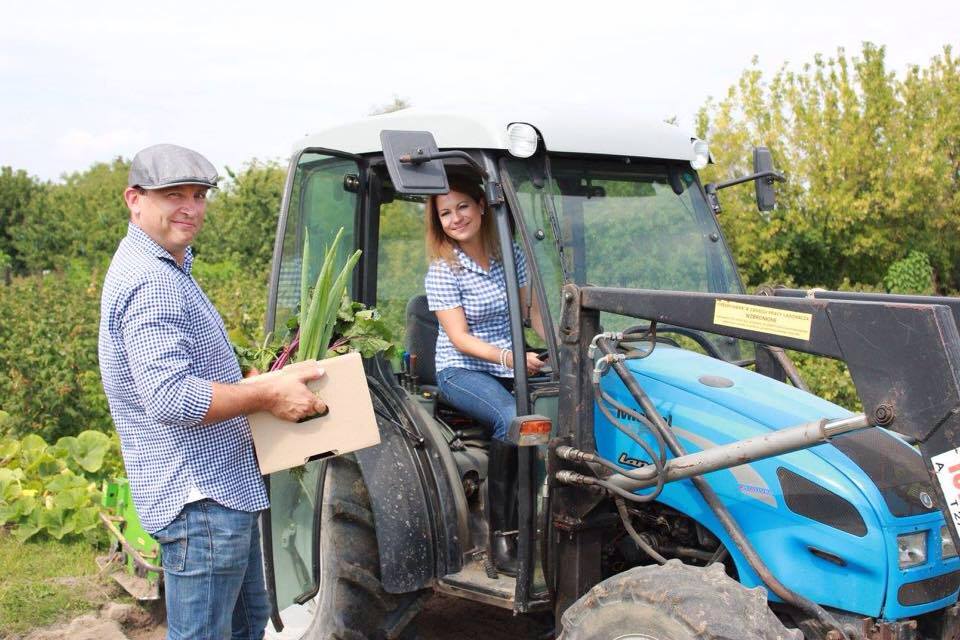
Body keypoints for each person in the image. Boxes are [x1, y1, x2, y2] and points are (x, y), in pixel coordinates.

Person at [98, 143, 327, 639]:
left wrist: (264, 383)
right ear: (133, 199)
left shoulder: (167, 266)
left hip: (219, 491)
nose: (191, 207)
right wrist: (266, 396)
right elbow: (170, 397)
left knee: (246, 629)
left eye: (199, 195)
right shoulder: (152, 281)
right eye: (173, 195)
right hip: (199, 502)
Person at [423, 174, 545, 576]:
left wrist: (566, 347)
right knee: (513, 419)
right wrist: (510, 358)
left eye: (461, 207)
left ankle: (546, 522)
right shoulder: (443, 270)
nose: (455, 218)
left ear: (481, 205)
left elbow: (532, 314)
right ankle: (501, 538)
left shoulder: (511, 254)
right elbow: (459, 339)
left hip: (512, 362)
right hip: (464, 369)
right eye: (445, 213)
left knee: (565, 414)